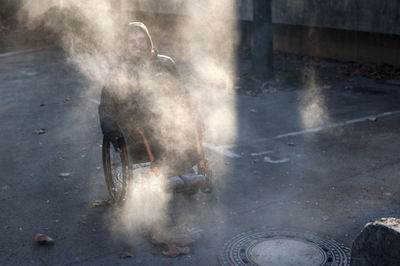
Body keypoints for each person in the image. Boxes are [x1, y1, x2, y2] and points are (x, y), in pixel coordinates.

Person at [98, 22, 211, 186]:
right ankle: (168, 171)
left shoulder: (165, 63)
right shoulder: (118, 71)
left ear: (148, 41)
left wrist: (192, 111)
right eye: (132, 41)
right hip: (134, 123)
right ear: (125, 45)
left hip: (169, 115)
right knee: (155, 114)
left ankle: (185, 168)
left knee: (183, 112)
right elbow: (106, 106)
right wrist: (112, 135)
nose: (137, 44)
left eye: (141, 39)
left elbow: (181, 91)